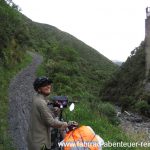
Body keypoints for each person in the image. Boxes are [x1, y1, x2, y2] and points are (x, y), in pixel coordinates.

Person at [27, 76, 68, 150]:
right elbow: (51, 122)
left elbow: (44, 113)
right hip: (40, 143)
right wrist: (64, 124)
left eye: (49, 84)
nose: (48, 86)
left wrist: (54, 111)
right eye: (45, 85)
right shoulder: (41, 102)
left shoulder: (36, 97)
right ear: (39, 89)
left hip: (34, 139)